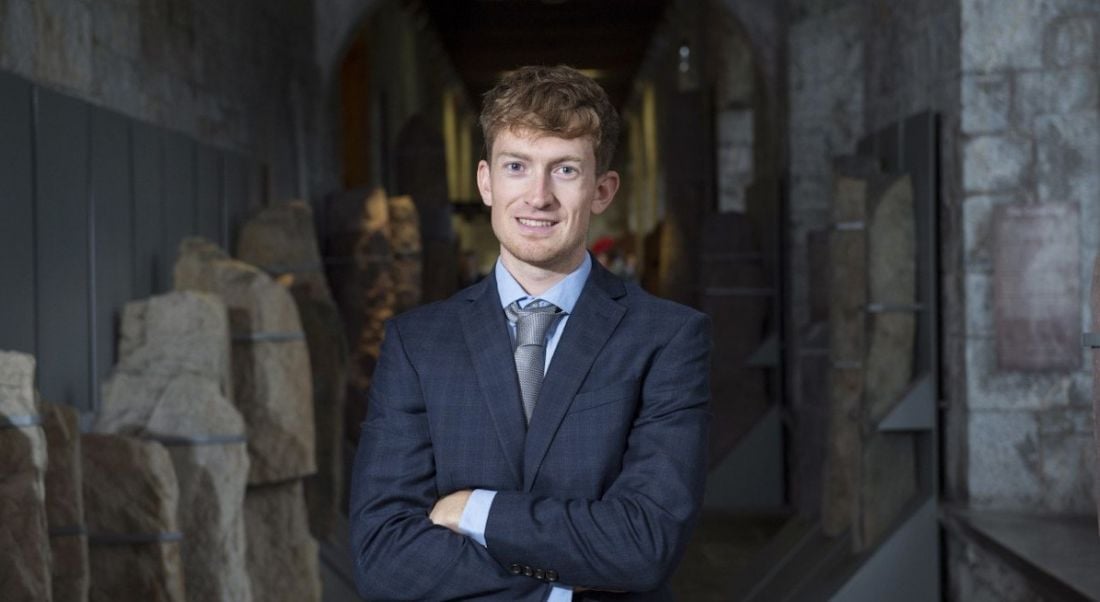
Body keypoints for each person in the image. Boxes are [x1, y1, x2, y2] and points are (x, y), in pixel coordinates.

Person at [349, 65, 712, 601]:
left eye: (564, 170)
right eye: (517, 166)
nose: (538, 196)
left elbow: (644, 544)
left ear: (602, 190)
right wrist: (563, 586)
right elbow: (382, 554)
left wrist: (474, 509)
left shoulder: (668, 339)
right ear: (486, 182)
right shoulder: (417, 344)